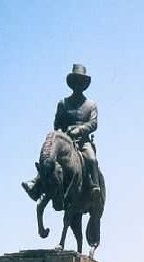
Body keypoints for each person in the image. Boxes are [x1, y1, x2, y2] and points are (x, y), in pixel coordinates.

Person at [53, 64, 101, 198]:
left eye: (81, 81)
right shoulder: (63, 103)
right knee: (49, 160)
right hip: (65, 142)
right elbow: (56, 124)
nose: (78, 84)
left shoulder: (91, 105)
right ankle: (37, 185)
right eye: (76, 81)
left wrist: (79, 130)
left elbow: (93, 123)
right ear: (72, 83)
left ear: (84, 84)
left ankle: (95, 187)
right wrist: (64, 132)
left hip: (83, 141)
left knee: (91, 159)